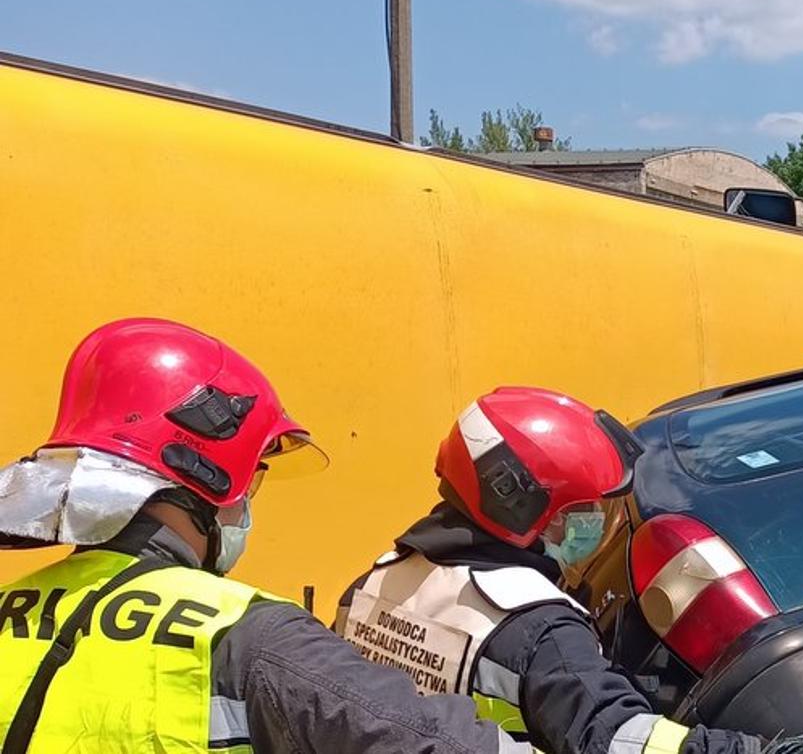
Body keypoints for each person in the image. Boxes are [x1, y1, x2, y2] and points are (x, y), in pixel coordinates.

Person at [0, 317, 524, 752]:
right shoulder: (248, 634)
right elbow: (430, 741)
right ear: (206, 477)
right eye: (253, 479)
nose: (248, 503)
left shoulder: (10, 608)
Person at [335, 386, 765, 754]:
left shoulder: (369, 586)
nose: (600, 523)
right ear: (522, 507)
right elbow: (619, 740)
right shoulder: (540, 631)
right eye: (584, 511)